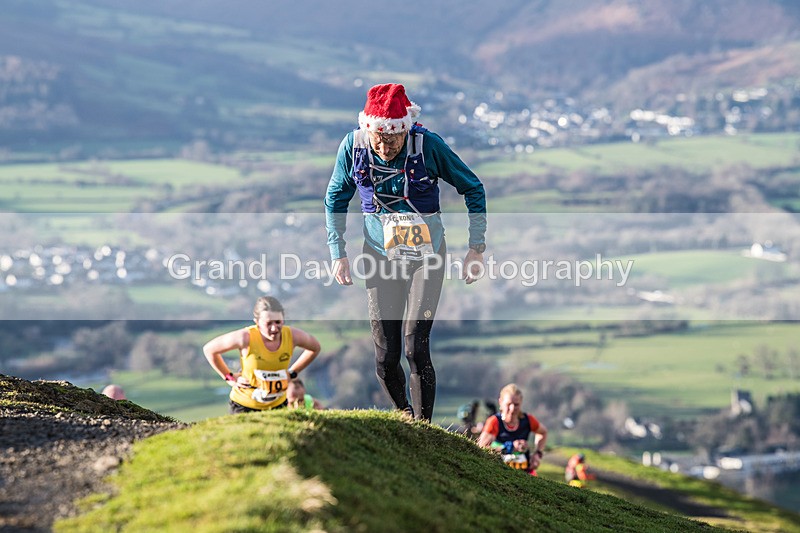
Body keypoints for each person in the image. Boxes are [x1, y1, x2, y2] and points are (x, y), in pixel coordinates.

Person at [324, 83, 487, 422]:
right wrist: (338, 252)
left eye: (392, 140)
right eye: (378, 140)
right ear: (368, 130)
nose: (384, 148)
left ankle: (423, 427)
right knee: (385, 356)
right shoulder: (353, 146)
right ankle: (405, 417)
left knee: (415, 346)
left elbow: (473, 187)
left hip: (427, 257)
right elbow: (335, 198)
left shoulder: (429, 146)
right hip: (379, 256)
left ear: (405, 130)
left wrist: (476, 248)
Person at [203, 296, 321, 414]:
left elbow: (315, 348)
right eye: (268, 323)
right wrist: (229, 377)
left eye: (278, 322)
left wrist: (293, 372)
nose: (274, 328)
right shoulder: (245, 337)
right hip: (245, 405)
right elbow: (209, 350)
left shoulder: (292, 336)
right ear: (257, 322)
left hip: (278, 404)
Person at [477, 384, 548, 476]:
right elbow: (481, 447)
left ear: (521, 403)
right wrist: (510, 447)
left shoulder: (528, 420)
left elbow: (543, 432)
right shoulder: (494, 422)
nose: (512, 408)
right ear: (500, 402)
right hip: (499, 472)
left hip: (525, 473)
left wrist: (537, 454)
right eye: (509, 404)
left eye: (516, 404)